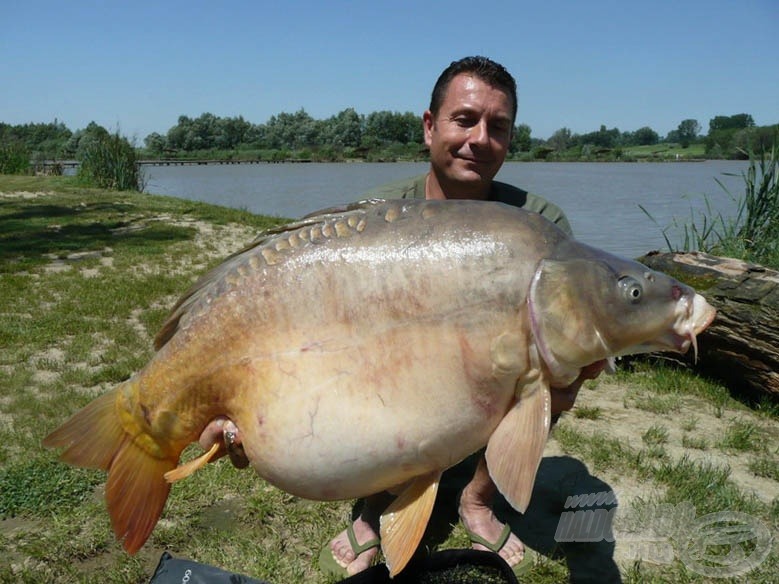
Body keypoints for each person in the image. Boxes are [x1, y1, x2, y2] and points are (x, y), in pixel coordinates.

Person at [320, 56, 605, 578]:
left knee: (548, 374)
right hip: (395, 368)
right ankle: (372, 507)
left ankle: (477, 498)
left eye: (498, 127)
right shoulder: (378, 216)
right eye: (464, 119)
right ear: (430, 126)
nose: (479, 139)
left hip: (490, 370)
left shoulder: (541, 224)